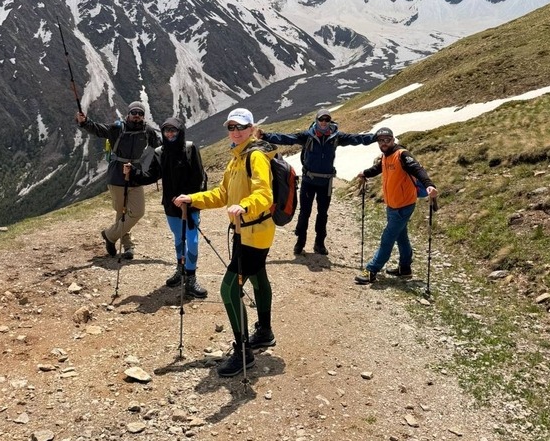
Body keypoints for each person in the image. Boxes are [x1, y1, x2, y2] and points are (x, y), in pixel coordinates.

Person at [175, 107, 277, 378]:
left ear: (252, 128)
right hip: (248, 230)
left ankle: (244, 352)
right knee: (258, 278)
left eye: (241, 126)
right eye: (231, 127)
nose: (236, 131)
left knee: (229, 289)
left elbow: (264, 194)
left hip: (253, 233)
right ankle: (264, 332)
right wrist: (193, 199)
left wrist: (245, 206)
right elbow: (222, 194)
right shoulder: (237, 158)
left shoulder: (255, 156)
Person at [258, 109, 377, 256]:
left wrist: (375, 137)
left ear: (330, 121)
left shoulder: (336, 137)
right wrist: (265, 136)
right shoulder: (308, 136)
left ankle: (319, 244)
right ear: (316, 120)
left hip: (325, 182)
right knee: (305, 212)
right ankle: (300, 242)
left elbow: (356, 139)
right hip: (308, 181)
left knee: (322, 214)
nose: (324, 122)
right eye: (321, 119)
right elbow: (287, 138)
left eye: (327, 120)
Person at [123, 117, 208, 298]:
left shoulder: (190, 149)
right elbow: (151, 175)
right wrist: (133, 173)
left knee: (192, 241)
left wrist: (189, 199)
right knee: (179, 238)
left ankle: (191, 277)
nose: (170, 134)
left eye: (173, 130)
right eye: (166, 131)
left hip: (189, 204)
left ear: (180, 131)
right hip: (170, 205)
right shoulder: (160, 152)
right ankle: (180, 269)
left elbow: (198, 177)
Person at [76, 101, 159, 259]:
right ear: (128, 114)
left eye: (140, 113)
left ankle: (109, 235)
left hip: (135, 174)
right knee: (122, 212)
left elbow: (159, 147)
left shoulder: (147, 130)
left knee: (138, 211)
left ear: (143, 116)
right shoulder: (117, 128)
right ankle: (128, 246)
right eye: (134, 112)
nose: (137, 116)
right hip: (117, 175)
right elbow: (99, 129)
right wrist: (84, 122)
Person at [354, 126, 438, 284]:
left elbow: (417, 169)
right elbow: (378, 168)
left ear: (393, 139)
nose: (384, 143)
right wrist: (365, 173)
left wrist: (429, 185)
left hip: (403, 205)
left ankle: (372, 270)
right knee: (401, 236)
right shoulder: (386, 156)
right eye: (381, 141)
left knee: (387, 237)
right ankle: (405, 268)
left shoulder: (402, 155)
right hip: (392, 205)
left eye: (387, 140)